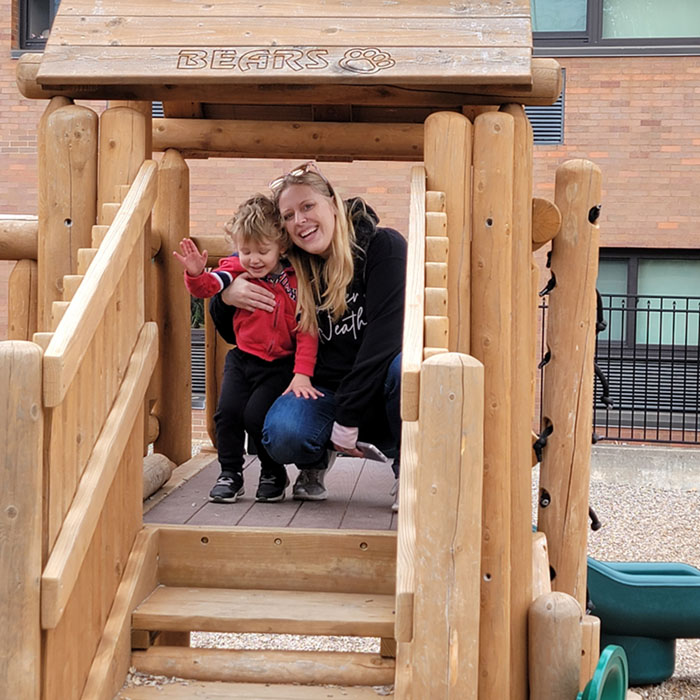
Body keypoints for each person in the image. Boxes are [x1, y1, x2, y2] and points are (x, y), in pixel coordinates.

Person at [209, 162, 406, 506]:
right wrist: (225, 297)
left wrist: (347, 416)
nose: (300, 220)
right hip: (322, 390)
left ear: (333, 203)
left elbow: (385, 341)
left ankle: (408, 471)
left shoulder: (382, 247)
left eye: (308, 206)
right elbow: (231, 331)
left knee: (404, 367)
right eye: (288, 215)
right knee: (282, 435)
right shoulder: (288, 265)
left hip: (379, 390)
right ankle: (314, 460)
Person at [174, 194, 320, 504]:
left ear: (281, 246)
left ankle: (272, 472)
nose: (253, 260)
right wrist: (196, 274)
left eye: (263, 251)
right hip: (242, 359)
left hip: (280, 364)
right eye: (246, 251)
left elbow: (307, 330)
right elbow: (208, 287)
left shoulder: (298, 279)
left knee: (256, 416)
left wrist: (302, 373)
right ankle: (230, 474)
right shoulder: (235, 269)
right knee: (226, 414)